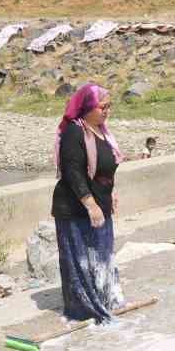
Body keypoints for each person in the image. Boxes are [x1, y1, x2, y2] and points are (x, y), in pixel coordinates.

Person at [51, 83, 125, 322]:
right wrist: (90, 203)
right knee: (83, 261)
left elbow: (105, 168)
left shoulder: (102, 132)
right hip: (75, 209)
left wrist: (110, 192)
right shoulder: (75, 132)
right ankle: (85, 308)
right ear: (88, 107)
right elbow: (73, 172)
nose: (107, 111)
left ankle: (104, 299)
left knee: (102, 256)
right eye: (102, 107)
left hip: (99, 203)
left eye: (109, 107)